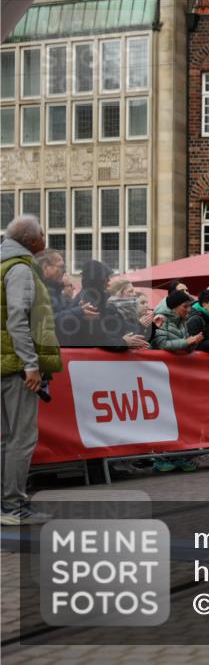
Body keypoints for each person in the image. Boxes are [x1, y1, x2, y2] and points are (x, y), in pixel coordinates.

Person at [1, 216, 63, 525]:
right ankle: (12, 506)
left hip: (4, 363)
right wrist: (30, 365)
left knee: (6, 439)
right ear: (31, 239)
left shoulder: (4, 265)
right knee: (21, 438)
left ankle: (6, 504)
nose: (45, 236)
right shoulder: (21, 269)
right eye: (42, 232)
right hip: (15, 366)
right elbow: (18, 320)